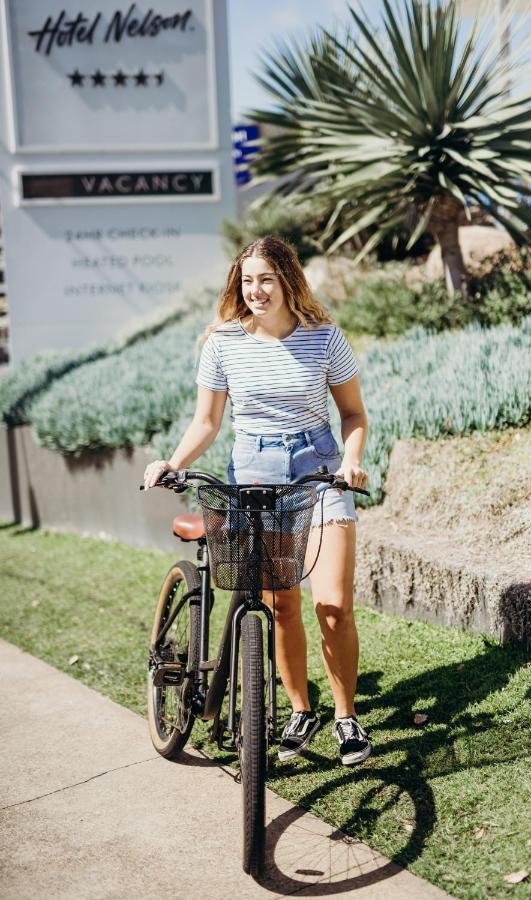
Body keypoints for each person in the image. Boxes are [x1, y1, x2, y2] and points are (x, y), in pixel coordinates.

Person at [143, 235, 371, 766]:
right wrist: (172, 463)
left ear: (288, 280)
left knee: (332, 605)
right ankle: (300, 710)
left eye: (266, 278)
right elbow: (207, 421)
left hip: (318, 469)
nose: (256, 290)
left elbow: (354, 416)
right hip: (253, 470)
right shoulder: (223, 342)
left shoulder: (324, 339)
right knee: (281, 604)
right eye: (247, 280)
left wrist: (351, 460)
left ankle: (346, 718)